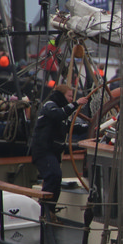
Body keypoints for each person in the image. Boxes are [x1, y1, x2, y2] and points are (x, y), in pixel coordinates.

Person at [31, 84, 88, 217]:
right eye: (69, 96)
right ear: (61, 95)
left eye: (72, 97)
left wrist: (92, 127)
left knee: (56, 180)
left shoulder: (63, 115)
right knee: (53, 175)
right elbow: (57, 115)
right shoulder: (50, 106)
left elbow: (72, 127)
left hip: (52, 153)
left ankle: (49, 211)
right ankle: (44, 212)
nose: (71, 99)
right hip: (43, 151)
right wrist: (76, 104)